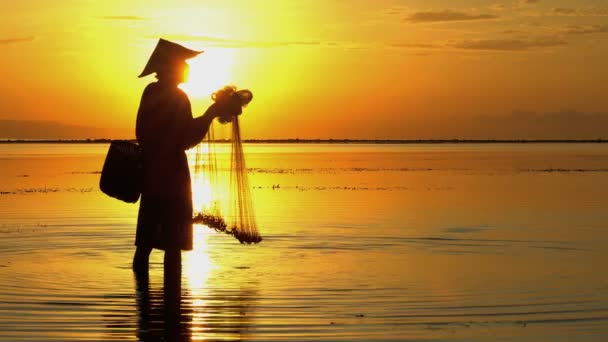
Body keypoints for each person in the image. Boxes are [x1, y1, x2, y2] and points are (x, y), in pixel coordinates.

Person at [132, 38, 240, 273]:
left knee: (146, 242)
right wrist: (211, 113)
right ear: (172, 68)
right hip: (172, 175)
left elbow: (143, 133)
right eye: (183, 64)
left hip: (151, 174)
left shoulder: (150, 91)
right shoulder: (177, 97)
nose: (188, 69)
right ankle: (171, 304)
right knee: (173, 244)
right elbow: (186, 137)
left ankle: (143, 298)